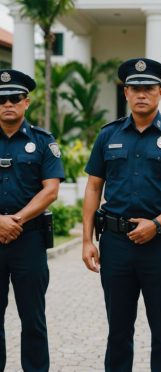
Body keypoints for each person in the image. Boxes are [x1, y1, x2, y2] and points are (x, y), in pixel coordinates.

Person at [82, 58, 161, 371]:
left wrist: (158, 224)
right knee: (119, 330)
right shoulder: (108, 135)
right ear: (125, 93)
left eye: (148, 88)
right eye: (135, 88)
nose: (141, 94)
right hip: (116, 244)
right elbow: (94, 188)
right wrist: (86, 241)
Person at [0, 69, 64, 371]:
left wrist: (16, 220)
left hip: (29, 240)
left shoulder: (42, 141)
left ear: (27, 102)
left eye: (14, 98)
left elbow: (50, 190)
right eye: (1, 99)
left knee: (33, 318)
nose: (7, 104)